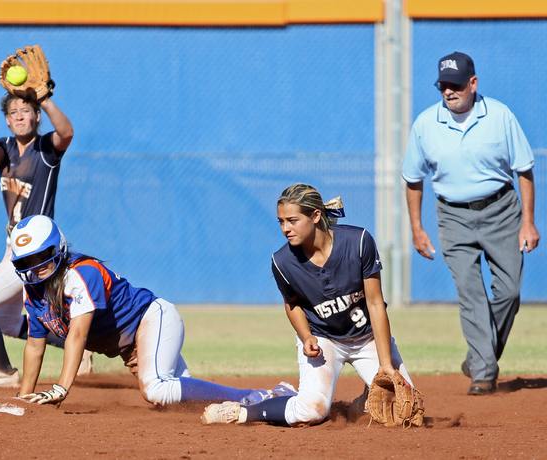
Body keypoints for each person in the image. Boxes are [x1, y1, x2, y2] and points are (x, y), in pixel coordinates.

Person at [10, 214, 296, 406]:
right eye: (26, 262)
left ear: (58, 248)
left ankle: (256, 395)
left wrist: (61, 388)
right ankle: (272, 399)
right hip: (130, 345)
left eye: (41, 256)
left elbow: (77, 336)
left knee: (156, 389)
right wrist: (24, 398)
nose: (35, 267)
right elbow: (36, 345)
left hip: (151, 320)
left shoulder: (82, 273)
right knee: (177, 401)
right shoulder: (34, 291)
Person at [201, 184, 418, 426]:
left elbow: (376, 303)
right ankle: (244, 410)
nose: (285, 228)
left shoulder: (358, 242)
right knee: (311, 411)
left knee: (403, 412)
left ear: (315, 216)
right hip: (324, 338)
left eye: (292, 220)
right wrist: (305, 336)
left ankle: (363, 403)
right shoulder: (283, 261)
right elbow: (292, 304)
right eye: (281, 221)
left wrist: (385, 364)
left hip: (367, 337)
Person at [401, 51, 540, 396]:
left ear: (473, 84)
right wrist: (417, 229)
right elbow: (412, 179)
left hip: (501, 211)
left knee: (509, 291)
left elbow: (524, 169)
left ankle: (479, 355)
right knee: (470, 292)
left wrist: (528, 222)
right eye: (443, 86)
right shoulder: (426, 124)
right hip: (452, 215)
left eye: (456, 85)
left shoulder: (500, 116)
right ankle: (483, 371)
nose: (449, 92)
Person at [0, 92, 92, 388]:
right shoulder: (6, 149)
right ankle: (77, 344)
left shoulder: (45, 148)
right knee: (8, 322)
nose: (20, 116)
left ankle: (4, 372)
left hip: (33, 252)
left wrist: (44, 98)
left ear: (36, 116)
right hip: (14, 248)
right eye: (13, 112)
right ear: (7, 120)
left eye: (26, 110)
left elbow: (67, 132)